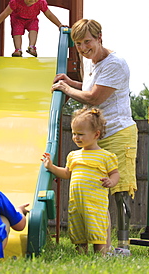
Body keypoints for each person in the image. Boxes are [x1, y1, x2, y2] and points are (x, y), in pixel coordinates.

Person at [51, 18, 137, 253]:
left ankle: (123, 246)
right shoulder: (92, 62)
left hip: (119, 131)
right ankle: (102, 245)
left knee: (120, 188)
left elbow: (95, 98)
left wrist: (66, 89)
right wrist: (72, 82)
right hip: (97, 133)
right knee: (95, 189)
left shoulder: (115, 63)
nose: (83, 48)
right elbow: (91, 87)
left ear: (100, 38)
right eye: (78, 44)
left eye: (87, 42)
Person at [42, 107, 119, 254]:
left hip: (95, 205)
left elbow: (115, 173)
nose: (76, 137)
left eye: (80, 134)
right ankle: (81, 254)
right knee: (78, 232)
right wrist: (51, 166)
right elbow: (66, 173)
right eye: (74, 133)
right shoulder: (73, 155)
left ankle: (101, 255)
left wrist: (112, 182)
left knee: (97, 232)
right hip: (76, 204)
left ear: (96, 134)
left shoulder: (106, 156)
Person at [0, 0, 66, 57]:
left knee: (34, 30)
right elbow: (6, 12)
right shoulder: (16, 0)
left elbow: (49, 14)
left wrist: (59, 24)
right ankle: (18, 50)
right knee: (17, 33)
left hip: (32, 19)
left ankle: (32, 47)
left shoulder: (41, 2)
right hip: (18, 19)